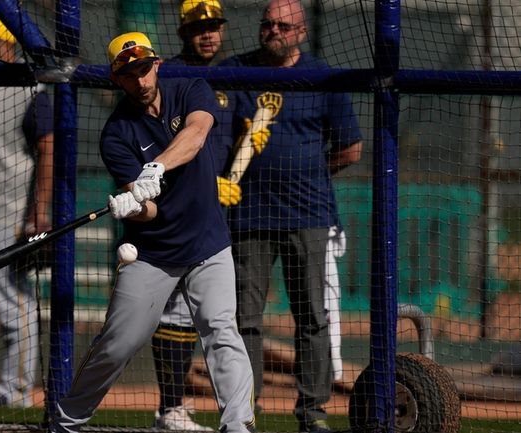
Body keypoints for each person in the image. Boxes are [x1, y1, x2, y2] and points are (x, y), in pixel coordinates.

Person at [49, 31, 255, 433]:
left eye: (144, 69)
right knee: (117, 345)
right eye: (128, 75)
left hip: (208, 244)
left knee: (220, 327)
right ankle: (67, 420)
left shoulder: (190, 88)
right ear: (116, 79)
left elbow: (196, 135)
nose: (140, 81)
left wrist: (156, 167)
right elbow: (151, 210)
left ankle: (237, 426)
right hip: (153, 253)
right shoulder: (116, 134)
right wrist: (132, 206)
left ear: (156, 64)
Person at [219, 1, 363, 432]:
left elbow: (350, 149)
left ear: (301, 33)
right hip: (246, 217)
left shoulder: (324, 79)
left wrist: (312, 169)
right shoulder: (234, 71)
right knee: (243, 319)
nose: (273, 31)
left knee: (312, 318)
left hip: (308, 215)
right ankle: (243, 411)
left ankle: (313, 415)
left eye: (283, 25)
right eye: (267, 24)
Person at [151, 1, 239, 431]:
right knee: (167, 309)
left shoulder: (236, 75)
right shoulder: (166, 74)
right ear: (184, 31)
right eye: (198, 27)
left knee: (208, 314)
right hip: (172, 206)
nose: (208, 34)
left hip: (218, 214)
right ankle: (170, 407)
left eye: (214, 27)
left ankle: (228, 414)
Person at [0, 9, 54, 407]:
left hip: (13, 213)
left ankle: (16, 390)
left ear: (8, 44)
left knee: (13, 299)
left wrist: (39, 213)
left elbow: (48, 150)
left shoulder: (30, 87)